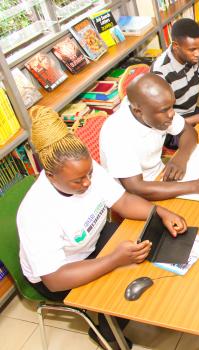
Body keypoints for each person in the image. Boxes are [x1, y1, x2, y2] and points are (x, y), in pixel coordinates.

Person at [18, 106, 188, 349]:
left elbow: (124, 201)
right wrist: (114, 260)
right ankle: (106, 333)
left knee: (152, 247)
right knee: (120, 283)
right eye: (78, 181)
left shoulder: (85, 170)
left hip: (95, 241)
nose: (88, 182)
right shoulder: (36, 212)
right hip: (61, 273)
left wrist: (160, 212)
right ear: (50, 176)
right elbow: (55, 279)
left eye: (88, 173)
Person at [99, 73, 199, 201]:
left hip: (161, 177)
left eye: (172, 106)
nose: (172, 114)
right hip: (136, 197)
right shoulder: (117, 133)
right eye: (165, 110)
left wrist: (181, 158)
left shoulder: (155, 110)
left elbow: (188, 131)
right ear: (138, 112)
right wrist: (196, 186)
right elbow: (136, 188)